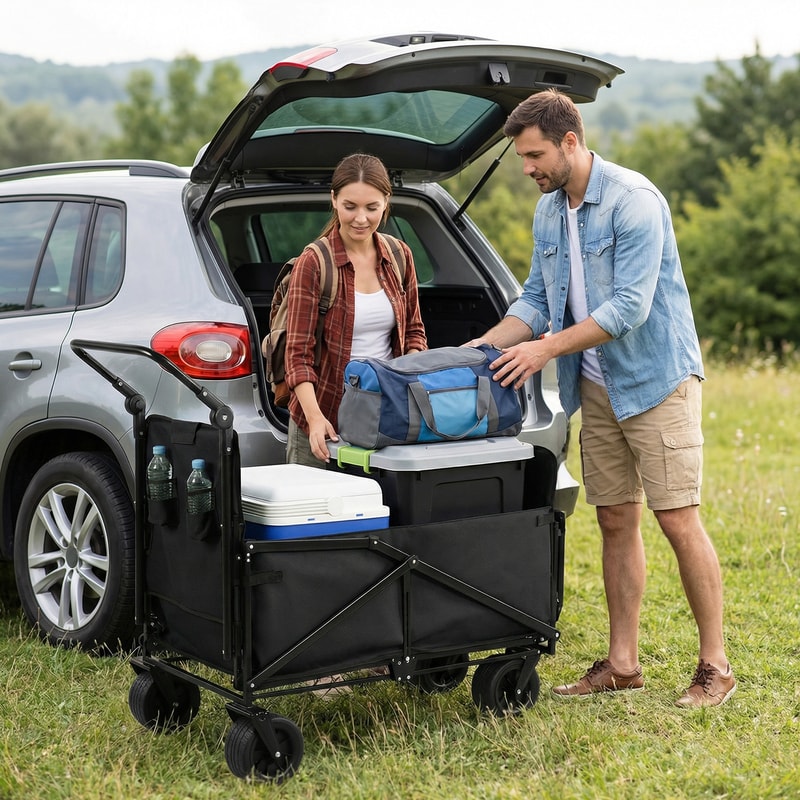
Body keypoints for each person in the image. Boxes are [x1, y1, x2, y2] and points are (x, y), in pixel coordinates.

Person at [466, 89, 734, 708]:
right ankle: (622, 663)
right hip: (596, 385)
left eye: (534, 155)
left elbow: (629, 309)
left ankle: (715, 666)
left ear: (569, 142)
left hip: (656, 380)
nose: (527, 168)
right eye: (521, 158)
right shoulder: (548, 212)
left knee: (677, 517)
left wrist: (545, 350)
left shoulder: (633, 201)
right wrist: (480, 347)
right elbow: (535, 299)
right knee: (615, 517)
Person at [283, 153, 427, 466]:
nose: (360, 218)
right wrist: (316, 420)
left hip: (385, 418)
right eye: (350, 206)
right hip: (324, 419)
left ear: (387, 202)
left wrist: (405, 387)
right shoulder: (315, 262)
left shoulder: (399, 255)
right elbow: (297, 356)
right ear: (333, 200)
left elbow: (415, 331)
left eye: (371, 208)